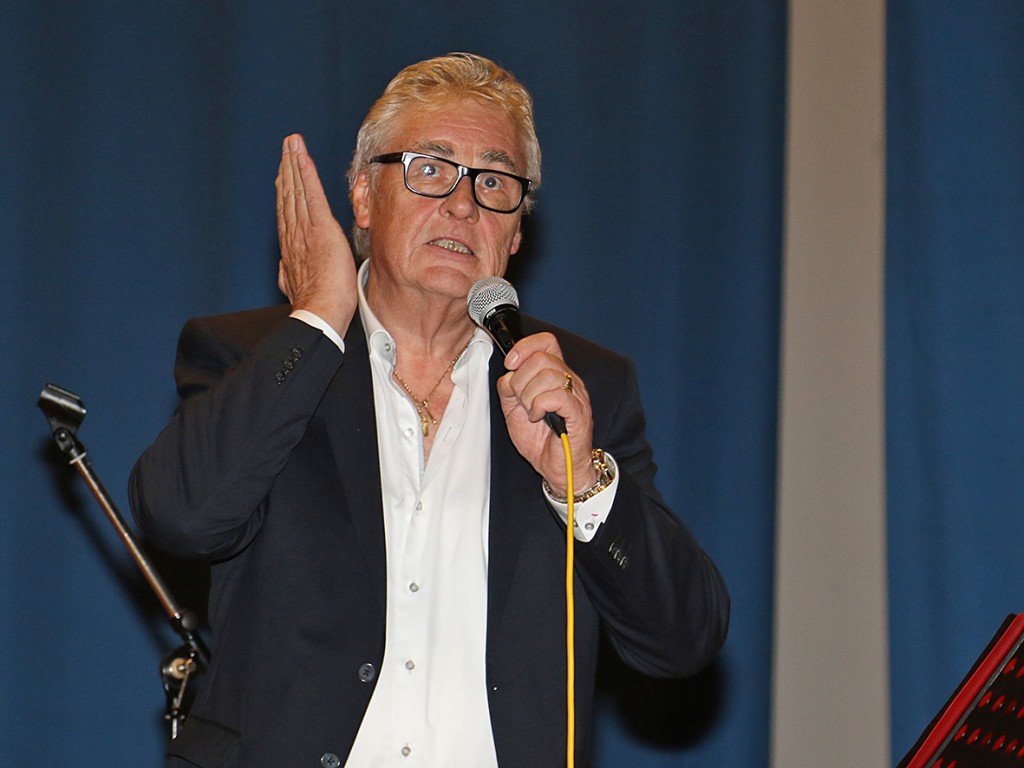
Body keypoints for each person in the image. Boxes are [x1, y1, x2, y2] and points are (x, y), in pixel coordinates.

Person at [130, 52, 729, 768]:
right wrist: (317, 319)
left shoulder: (576, 387)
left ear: (516, 232)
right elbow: (181, 518)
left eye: (495, 181)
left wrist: (582, 485)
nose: (464, 204)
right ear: (362, 198)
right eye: (431, 168)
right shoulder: (256, 356)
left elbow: (682, 640)